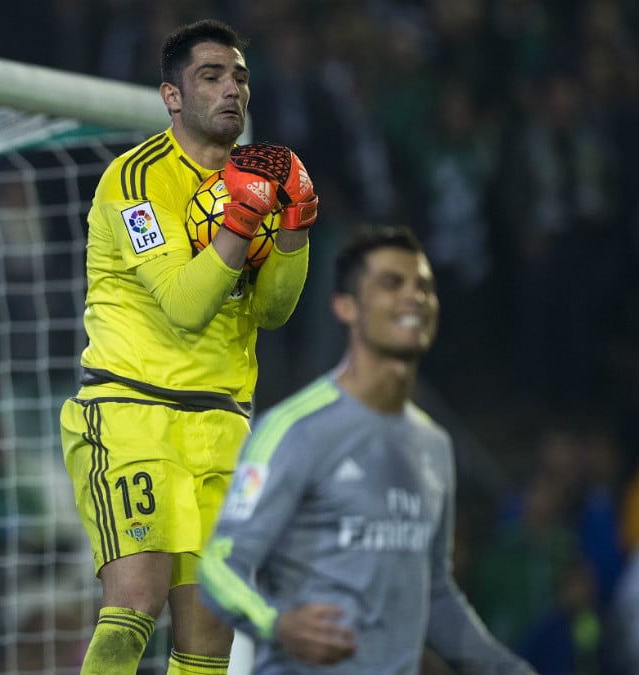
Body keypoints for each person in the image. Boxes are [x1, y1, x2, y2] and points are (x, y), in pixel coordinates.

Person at [59, 18, 318, 675]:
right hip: (133, 411)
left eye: (239, 76)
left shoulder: (248, 179)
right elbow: (184, 304)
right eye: (211, 76)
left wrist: (293, 228)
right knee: (135, 604)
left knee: (209, 642)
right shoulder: (136, 180)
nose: (232, 87)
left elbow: (274, 309)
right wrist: (242, 219)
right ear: (172, 96)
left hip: (223, 426)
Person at [198, 226, 535, 675]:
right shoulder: (295, 429)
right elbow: (221, 567)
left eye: (424, 288)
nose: (413, 297)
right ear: (346, 306)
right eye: (391, 284)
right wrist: (276, 624)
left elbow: (434, 594)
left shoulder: (434, 446)